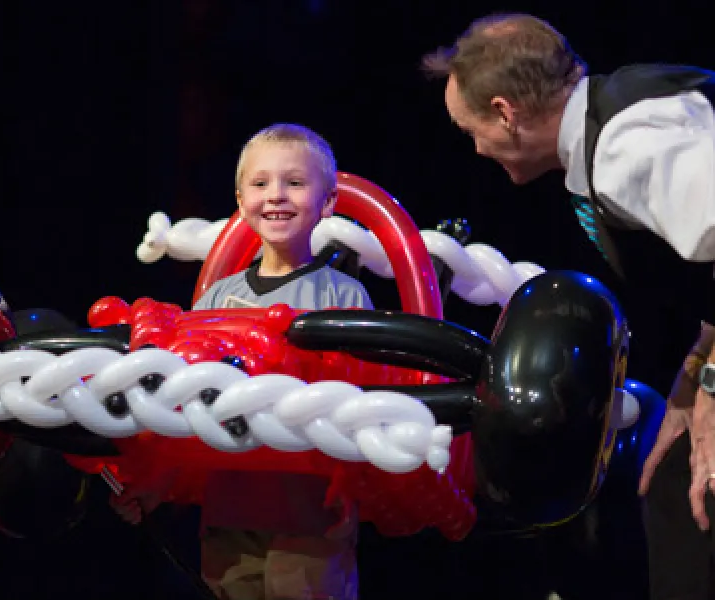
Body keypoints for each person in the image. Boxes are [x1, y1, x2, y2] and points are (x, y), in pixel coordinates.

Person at [420, 13, 715, 600]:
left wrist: (713, 384)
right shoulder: (615, 129)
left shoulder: (629, 146)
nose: (475, 148)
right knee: (673, 484)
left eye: (469, 129)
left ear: (506, 113)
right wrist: (693, 372)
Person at [111, 122, 373, 600]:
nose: (276, 195)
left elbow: (361, 401)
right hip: (227, 516)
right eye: (260, 183)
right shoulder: (216, 298)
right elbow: (187, 403)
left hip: (309, 518)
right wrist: (156, 487)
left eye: (294, 183)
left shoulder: (343, 294)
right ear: (240, 199)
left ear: (328, 202)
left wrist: (349, 485)